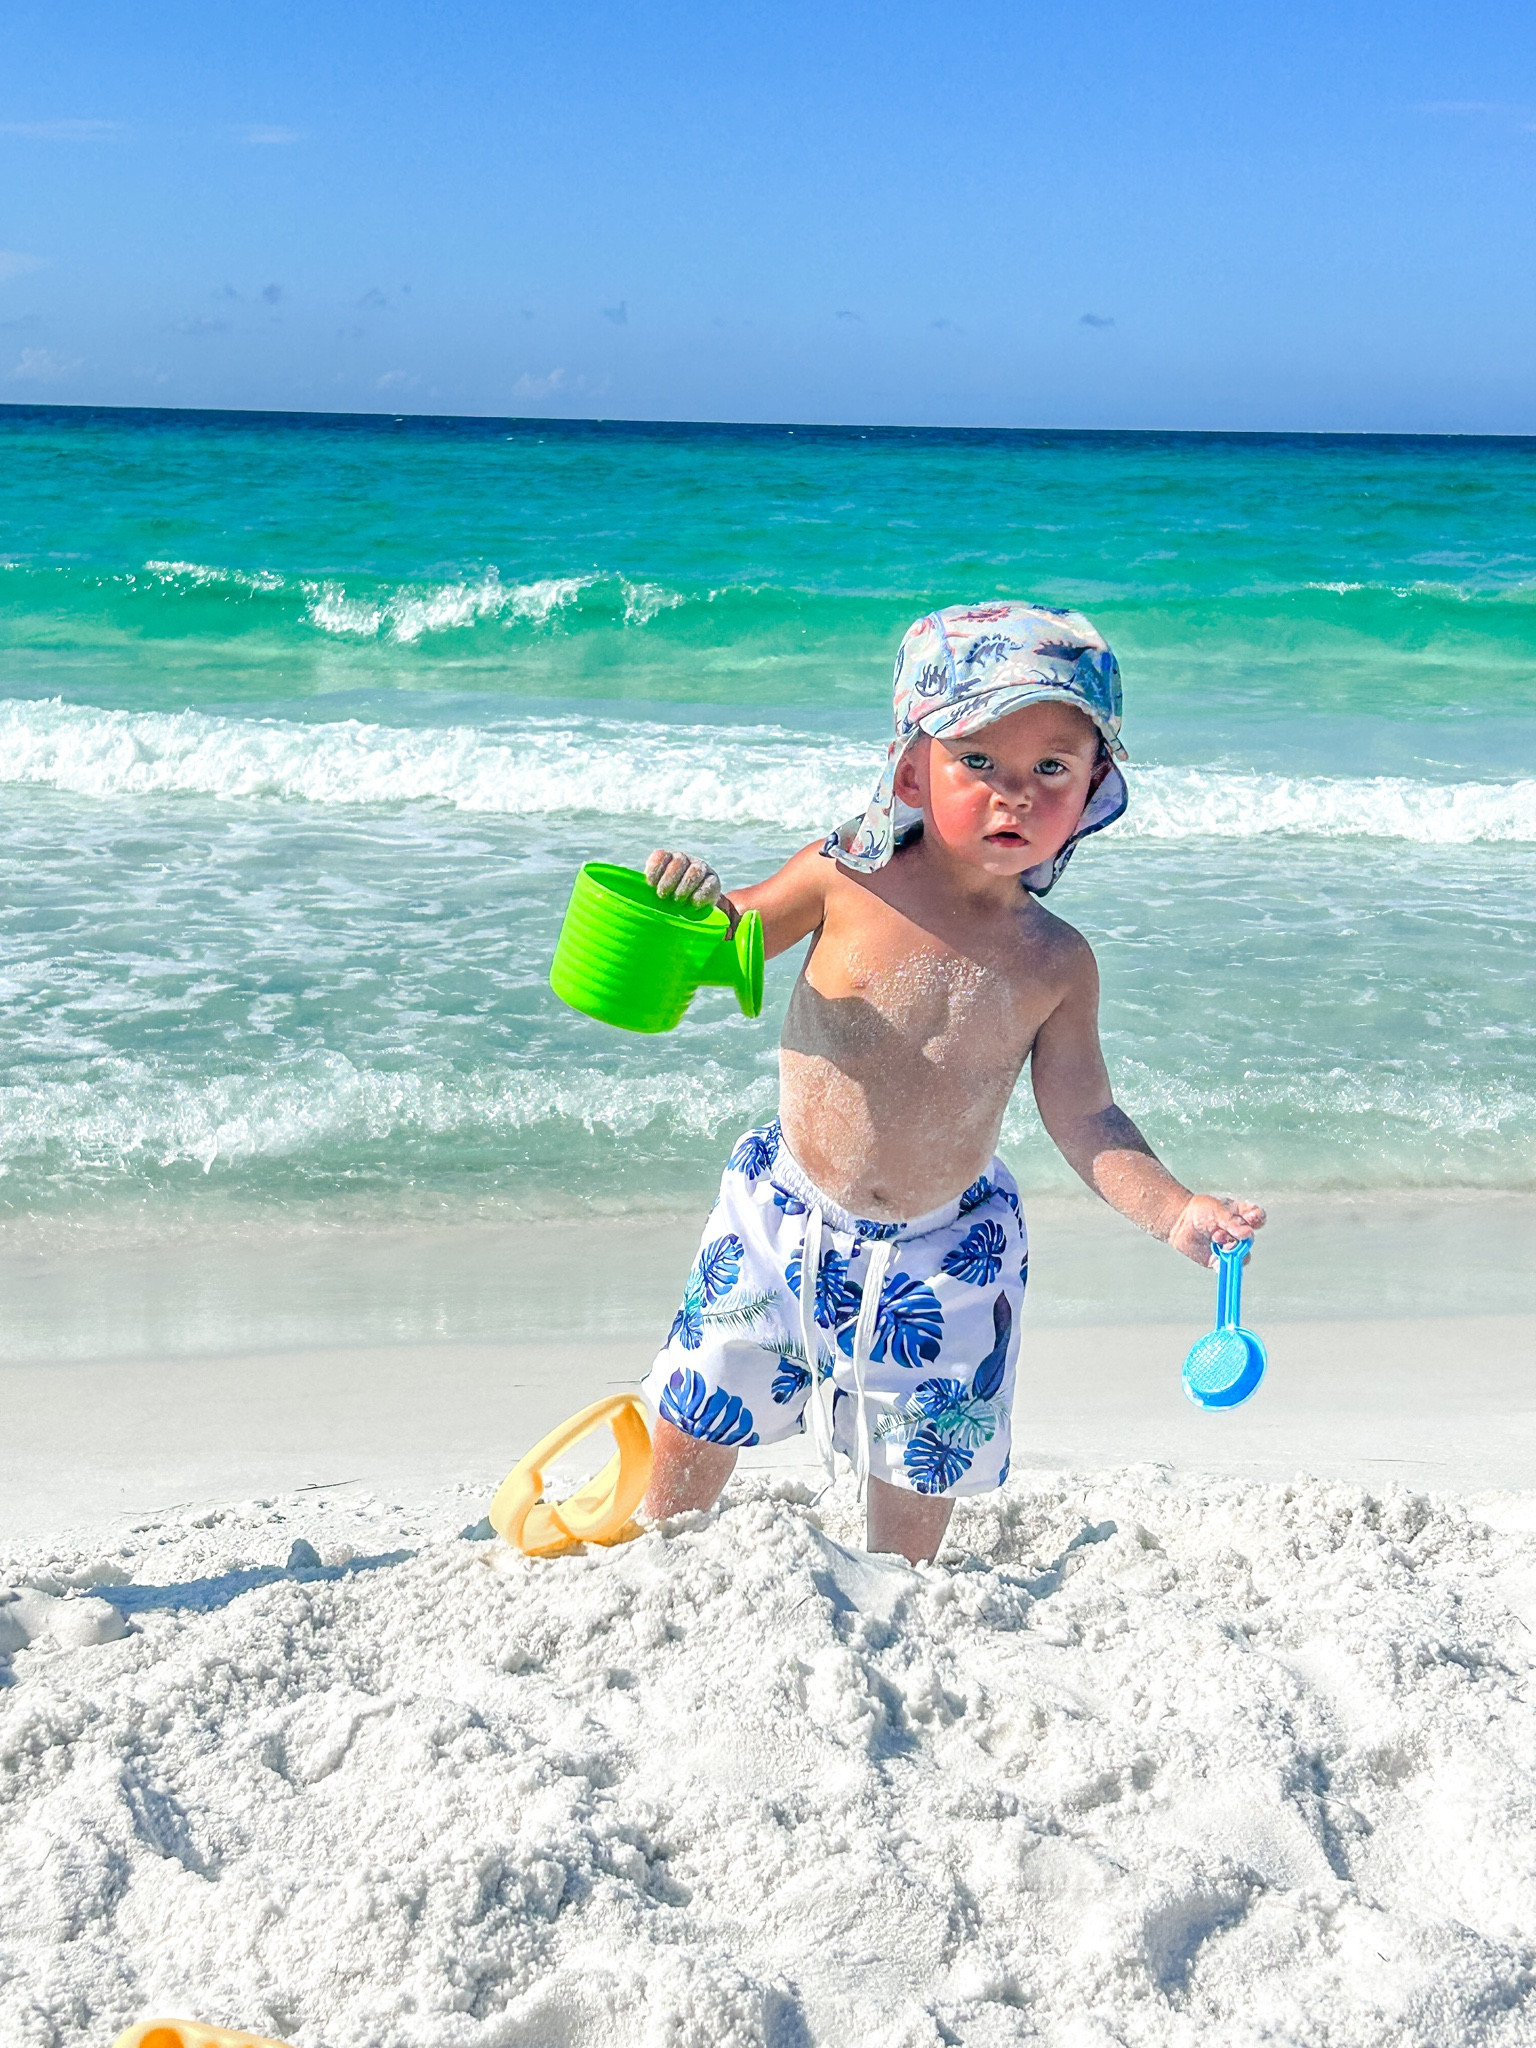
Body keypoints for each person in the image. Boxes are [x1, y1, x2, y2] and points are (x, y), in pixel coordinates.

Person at [638, 602, 1265, 1563]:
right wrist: (685, 904)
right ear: (911, 771)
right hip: (784, 1212)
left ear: (1094, 788)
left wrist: (1175, 1210)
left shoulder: (1054, 962)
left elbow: (1086, 1113)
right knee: (702, 1392)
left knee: (920, 1460)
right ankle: (661, 1541)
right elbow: (728, 939)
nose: (1014, 795)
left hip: (949, 1251)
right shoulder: (844, 876)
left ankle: (898, 1584)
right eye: (978, 761)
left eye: (1051, 768)